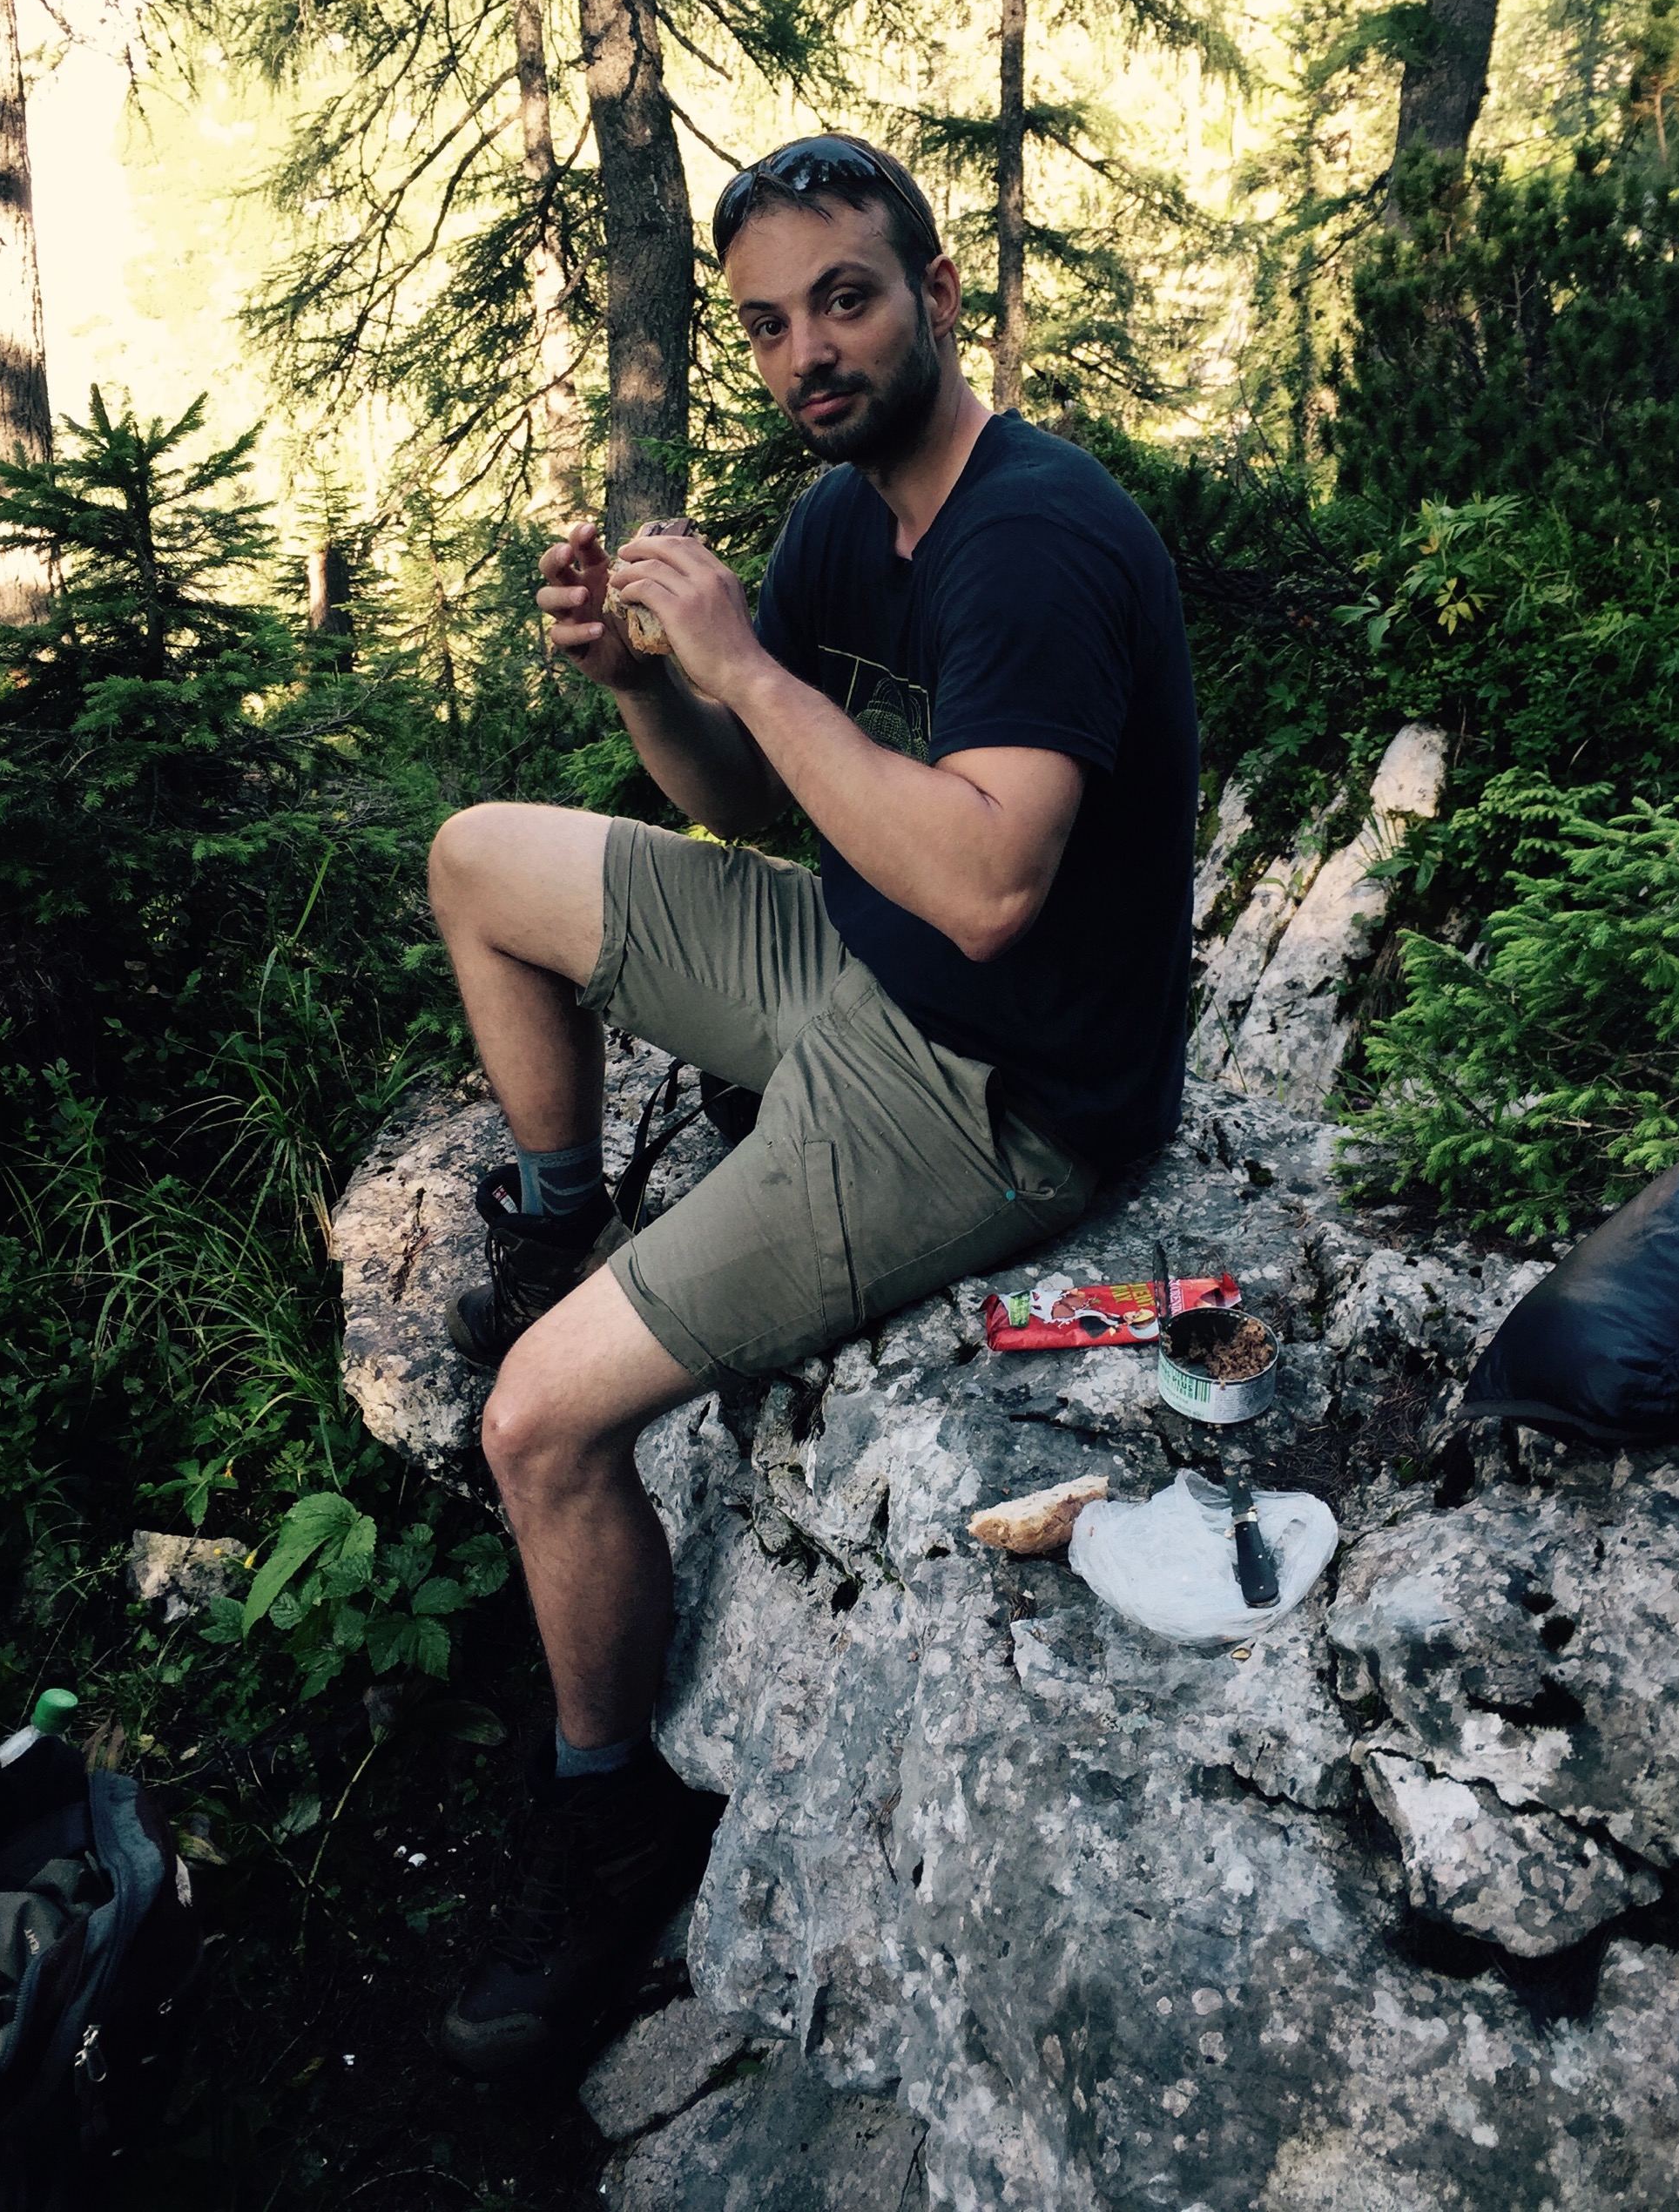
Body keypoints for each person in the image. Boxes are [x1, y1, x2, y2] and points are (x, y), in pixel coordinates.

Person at [428, 134, 1197, 2074]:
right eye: (767, 323)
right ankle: (555, 1225)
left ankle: (611, 1836)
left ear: (941, 296)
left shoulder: (1036, 539)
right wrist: (636, 680)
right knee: (476, 861)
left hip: (991, 1096)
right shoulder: (865, 510)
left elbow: (982, 881)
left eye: (844, 299)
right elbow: (754, 807)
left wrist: (749, 662)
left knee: (538, 1426)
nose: (804, 354)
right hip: (862, 975)